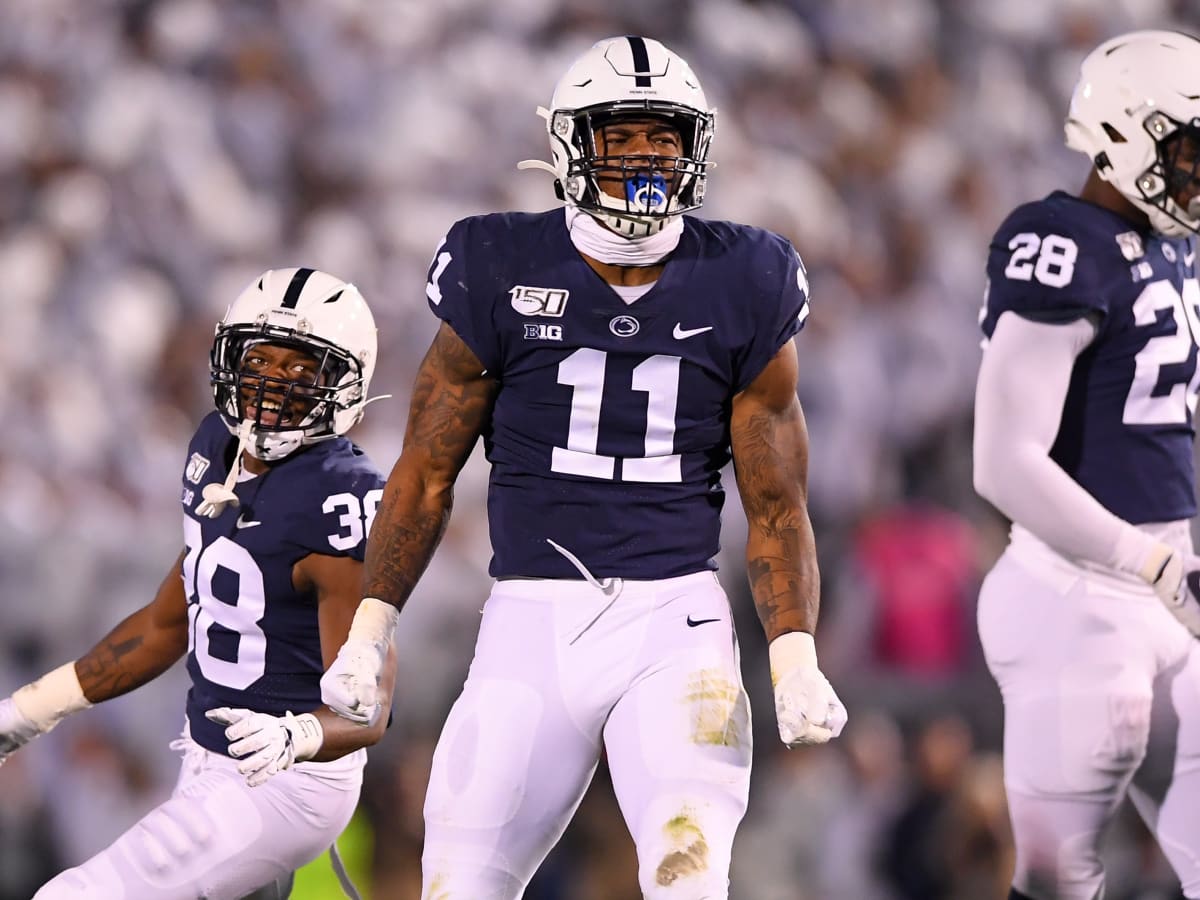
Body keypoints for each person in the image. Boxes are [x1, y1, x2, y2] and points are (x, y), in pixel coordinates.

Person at [320, 36, 846, 898]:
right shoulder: (500, 264)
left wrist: (793, 655)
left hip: (674, 622)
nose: (645, 157)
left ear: (696, 147)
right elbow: (424, 470)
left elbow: (778, 505)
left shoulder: (744, 277)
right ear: (571, 145)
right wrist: (371, 630)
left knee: (689, 873)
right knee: (458, 880)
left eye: (663, 137)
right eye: (622, 135)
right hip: (530, 618)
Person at [0, 267, 396, 899]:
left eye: (301, 371)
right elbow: (168, 622)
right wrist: (29, 712)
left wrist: (301, 733)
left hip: (287, 778)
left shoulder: (338, 497)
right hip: (207, 757)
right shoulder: (216, 446)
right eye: (259, 361)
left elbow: (369, 701)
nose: (271, 385)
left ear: (344, 386)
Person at [973, 30, 1200, 900]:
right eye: (1186, 149)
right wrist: (1150, 561)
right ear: (1129, 133)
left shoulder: (1172, 247)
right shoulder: (1058, 238)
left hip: (1163, 590)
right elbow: (1002, 462)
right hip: (1072, 594)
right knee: (1057, 878)